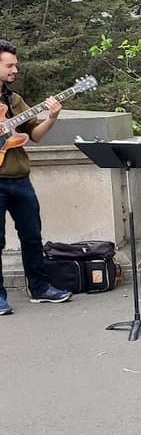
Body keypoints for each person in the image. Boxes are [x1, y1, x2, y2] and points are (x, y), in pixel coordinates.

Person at [0, 40, 74, 314]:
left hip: (20, 178)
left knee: (32, 236)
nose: (15, 70)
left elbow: (35, 135)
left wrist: (52, 117)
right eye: (9, 65)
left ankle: (40, 288)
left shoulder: (14, 100)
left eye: (16, 65)